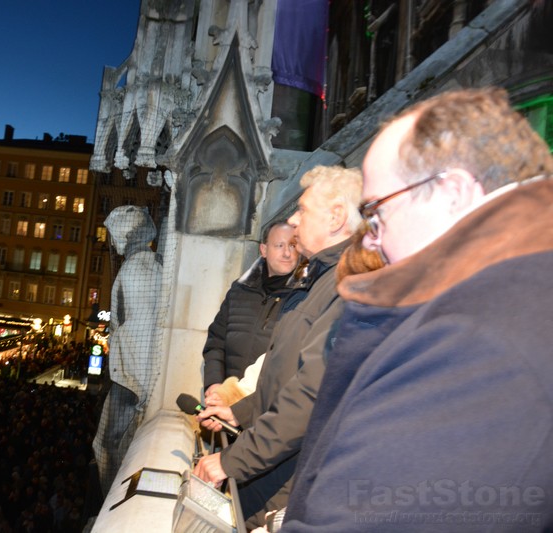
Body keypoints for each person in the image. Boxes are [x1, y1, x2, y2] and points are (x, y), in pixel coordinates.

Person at [281, 87, 553, 531]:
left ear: (452, 193)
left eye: (376, 213)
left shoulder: (479, 341)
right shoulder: (499, 298)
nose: (370, 239)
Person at [193, 165, 363, 528]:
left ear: (335, 216)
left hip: (288, 480)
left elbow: (312, 398)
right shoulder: (317, 280)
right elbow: (284, 374)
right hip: (269, 470)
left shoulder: (347, 285)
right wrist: (240, 411)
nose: (293, 219)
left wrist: (230, 462)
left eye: (302, 209)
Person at [92, 205, 163, 495]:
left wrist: (140, 390)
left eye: (112, 234)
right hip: (130, 377)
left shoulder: (139, 268)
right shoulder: (143, 264)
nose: (110, 241)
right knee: (107, 445)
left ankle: (112, 501)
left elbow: (141, 331)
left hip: (131, 381)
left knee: (107, 446)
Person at [202, 221, 299, 401]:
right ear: (263, 249)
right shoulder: (240, 290)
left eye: (293, 245)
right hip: (227, 400)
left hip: (268, 406)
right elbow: (216, 341)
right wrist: (215, 384)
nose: (287, 253)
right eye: (279, 245)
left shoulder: (302, 297)